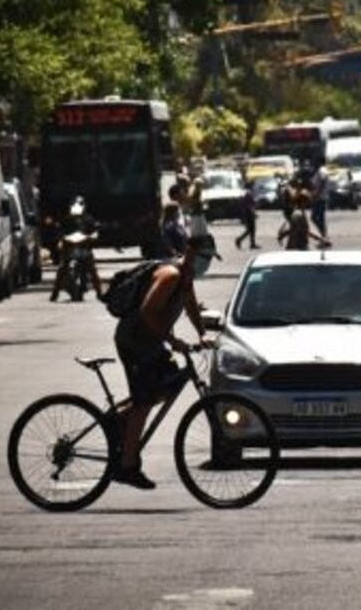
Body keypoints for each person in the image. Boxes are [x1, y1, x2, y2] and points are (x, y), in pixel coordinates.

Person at [111, 234, 219, 489]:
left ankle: (120, 419)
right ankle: (127, 466)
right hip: (134, 341)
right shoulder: (170, 275)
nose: (207, 263)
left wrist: (202, 333)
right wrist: (173, 341)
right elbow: (147, 311)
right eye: (204, 257)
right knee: (144, 400)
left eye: (210, 259)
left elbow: (191, 305)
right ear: (190, 253)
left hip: (150, 343)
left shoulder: (185, 278)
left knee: (168, 384)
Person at [50, 198, 103, 302]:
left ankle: (99, 293)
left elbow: (95, 230)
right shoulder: (66, 219)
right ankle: (54, 293)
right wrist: (60, 241)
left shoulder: (88, 219)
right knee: (61, 269)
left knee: (93, 270)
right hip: (69, 248)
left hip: (84, 248)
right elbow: (59, 231)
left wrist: (93, 236)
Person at [235, 180, 259, 250]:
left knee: (251, 230)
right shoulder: (248, 194)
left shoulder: (246, 193)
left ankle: (252, 243)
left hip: (247, 213)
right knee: (250, 229)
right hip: (248, 214)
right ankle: (239, 240)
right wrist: (253, 213)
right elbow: (249, 206)